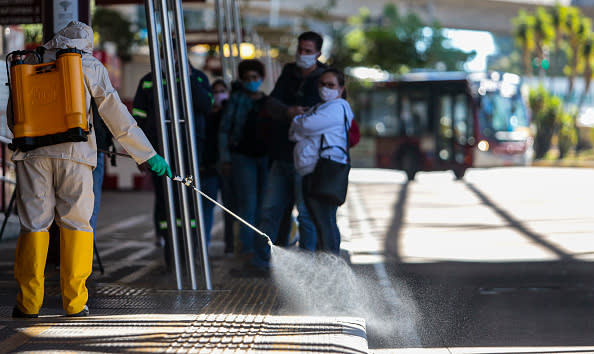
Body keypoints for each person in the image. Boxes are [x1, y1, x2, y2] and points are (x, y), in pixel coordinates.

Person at [9, 21, 171, 318]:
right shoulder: (87, 64)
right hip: (76, 155)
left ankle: (28, 303)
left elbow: (13, 114)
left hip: (32, 156)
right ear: (86, 43)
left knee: (33, 225)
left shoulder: (27, 62)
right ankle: (74, 303)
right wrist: (147, 155)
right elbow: (115, 114)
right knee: (76, 225)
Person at [131, 58, 212, 263]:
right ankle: (169, 245)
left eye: (177, 56)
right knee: (164, 198)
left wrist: (189, 78)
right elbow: (137, 118)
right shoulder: (149, 81)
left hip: (191, 151)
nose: (172, 61)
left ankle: (191, 246)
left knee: (191, 198)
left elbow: (206, 106)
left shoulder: (198, 78)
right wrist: (140, 154)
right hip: (160, 152)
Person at [256, 31, 327, 263]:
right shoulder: (288, 72)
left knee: (306, 214)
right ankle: (265, 261)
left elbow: (328, 113)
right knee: (270, 211)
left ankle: (307, 264)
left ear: (318, 53)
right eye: (300, 50)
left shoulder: (325, 78)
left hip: (307, 160)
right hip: (281, 155)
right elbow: (272, 102)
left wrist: (300, 114)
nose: (302, 55)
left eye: (308, 51)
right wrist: (288, 112)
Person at [289, 68, 354, 254]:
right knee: (320, 221)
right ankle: (327, 266)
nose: (325, 88)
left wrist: (298, 120)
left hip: (324, 171)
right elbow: (296, 133)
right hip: (313, 171)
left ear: (341, 89)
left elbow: (305, 125)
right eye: (322, 84)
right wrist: (301, 123)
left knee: (325, 222)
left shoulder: (337, 107)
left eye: (331, 85)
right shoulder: (321, 107)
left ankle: (330, 267)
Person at [218, 59, 270, 272]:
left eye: (255, 78)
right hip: (242, 158)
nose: (251, 82)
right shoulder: (236, 101)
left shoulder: (269, 102)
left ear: (261, 78)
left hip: (266, 159)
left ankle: (261, 249)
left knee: (263, 206)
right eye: (247, 78)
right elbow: (224, 131)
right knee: (248, 205)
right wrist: (226, 159)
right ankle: (247, 250)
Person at [200, 79, 232, 251]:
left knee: (231, 208)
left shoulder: (229, 112)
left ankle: (231, 245)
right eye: (215, 91)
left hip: (228, 168)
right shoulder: (203, 115)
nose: (218, 94)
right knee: (206, 208)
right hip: (210, 168)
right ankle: (203, 245)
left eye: (222, 91)